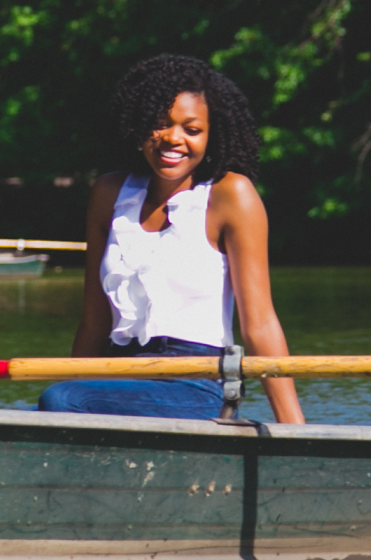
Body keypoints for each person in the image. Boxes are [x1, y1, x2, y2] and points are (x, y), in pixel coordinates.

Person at [41, 54, 305, 423]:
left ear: (212, 135)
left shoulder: (231, 195)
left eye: (192, 129)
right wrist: (62, 401)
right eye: (159, 124)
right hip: (116, 374)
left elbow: (259, 323)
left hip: (194, 382)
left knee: (64, 398)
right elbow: (94, 322)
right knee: (60, 400)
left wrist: (293, 427)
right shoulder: (108, 193)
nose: (173, 139)